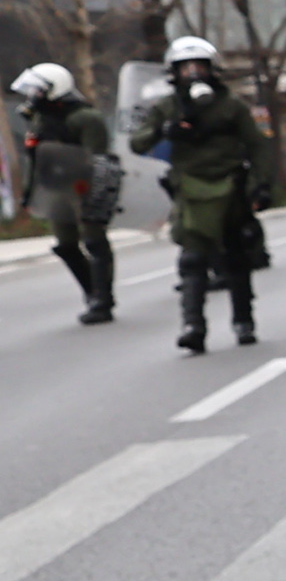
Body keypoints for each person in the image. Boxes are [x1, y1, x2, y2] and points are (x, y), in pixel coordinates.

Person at [135, 37, 266, 356]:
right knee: (192, 259)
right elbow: (137, 143)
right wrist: (164, 131)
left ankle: (243, 321)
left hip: (230, 186)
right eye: (186, 68)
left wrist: (261, 185)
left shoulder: (231, 106)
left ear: (212, 70)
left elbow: (257, 145)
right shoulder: (166, 107)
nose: (193, 73)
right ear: (174, 72)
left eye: (200, 67)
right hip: (191, 189)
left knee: (236, 257)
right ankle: (193, 326)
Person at [13, 61, 119, 323]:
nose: (32, 96)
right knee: (66, 245)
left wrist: (95, 194)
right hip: (57, 190)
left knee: (94, 241)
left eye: (38, 90)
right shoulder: (40, 119)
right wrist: (29, 195)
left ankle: (103, 300)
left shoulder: (85, 118)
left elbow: (97, 159)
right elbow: (37, 160)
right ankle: (91, 292)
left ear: (53, 89)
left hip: (85, 188)